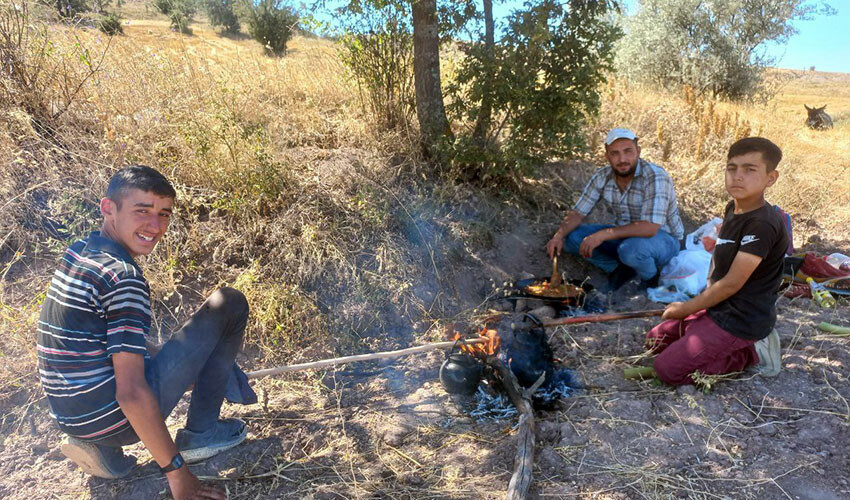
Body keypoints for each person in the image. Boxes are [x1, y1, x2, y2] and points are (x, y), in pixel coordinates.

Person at [37, 166, 249, 500]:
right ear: (109, 208)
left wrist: (188, 366)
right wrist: (178, 474)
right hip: (114, 418)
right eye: (142, 211)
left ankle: (101, 450)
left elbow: (104, 342)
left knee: (146, 359)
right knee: (230, 303)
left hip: (70, 415)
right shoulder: (124, 278)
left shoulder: (81, 251)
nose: (155, 226)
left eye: (164, 214)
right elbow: (131, 393)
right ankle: (201, 433)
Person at [645, 137, 787, 385]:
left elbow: (732, 283)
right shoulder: (733, 208)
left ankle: (749, 354)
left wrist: (686, 308)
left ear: (771, 178)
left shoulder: (762, 224)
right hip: (718, 309)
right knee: (654, 341)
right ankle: (705, 335)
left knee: (667, 371)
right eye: (732, 168)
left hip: (742, 321)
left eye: (749, 169)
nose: (738, 176)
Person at [546, 128, 684, 290]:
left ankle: (651, 280)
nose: (622, 159)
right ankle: (620, 269)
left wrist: (602, 235)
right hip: (624, 237)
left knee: (631, 250)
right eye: (615, 153)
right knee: (572, 238)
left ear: (638, 152)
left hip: (664, 241)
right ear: (607, 156)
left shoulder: (655, 176)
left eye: (628, 151)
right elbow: (578, 213)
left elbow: (650, 227)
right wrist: (558, 236)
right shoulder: (602, 176)